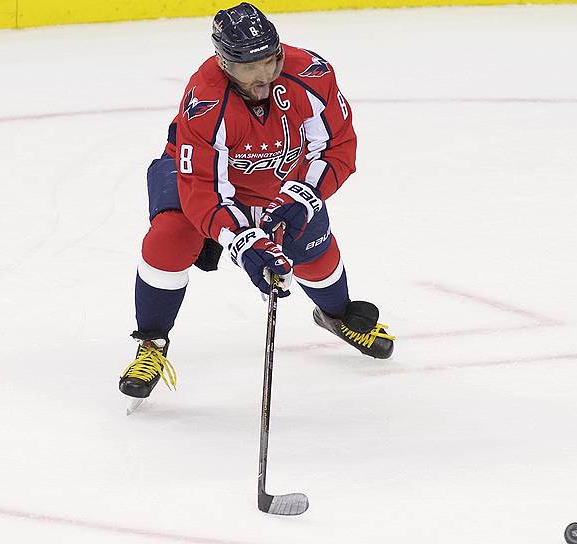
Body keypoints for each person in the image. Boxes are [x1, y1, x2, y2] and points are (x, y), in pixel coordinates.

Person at [119, 2, 394, 401]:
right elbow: (204, 190)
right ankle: (151, 343)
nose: (263, 76)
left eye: (270, 61)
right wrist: (242, 240)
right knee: (169, 238)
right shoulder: (206, 100)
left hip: (279, 178)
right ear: (224, 62)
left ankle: (336, 315)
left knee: (312, 248)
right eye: (249, 67)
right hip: (199, 179)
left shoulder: (311, 75)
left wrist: (302, 195)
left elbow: (337, 146)